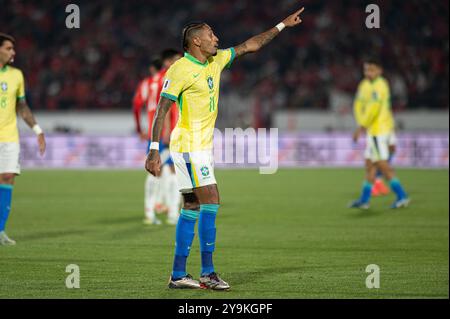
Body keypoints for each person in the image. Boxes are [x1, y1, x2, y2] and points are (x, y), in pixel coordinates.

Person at [145, 8, 305, 290]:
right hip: (189, 147)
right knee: (212, 200)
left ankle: (178, 275)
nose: (216, 39)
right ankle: (207, 273)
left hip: (199, 147)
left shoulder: (216, 61)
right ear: (196, 42)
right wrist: (154, 149)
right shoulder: (180, 69)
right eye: (210, 35)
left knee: (192, 205)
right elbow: (161, 110)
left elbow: (249, 46)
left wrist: (282, 25)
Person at [0, 33, 46, 245]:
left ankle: (0, 231)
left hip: (9, 136)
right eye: (9, 48)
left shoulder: (16, 75)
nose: (13, 52)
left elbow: (22, 106)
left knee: (8, 177)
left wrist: (37, 129)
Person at [349, 57, 410, 210]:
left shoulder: (380, 85)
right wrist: (361, 122)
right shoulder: (365, 85)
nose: (368, 72)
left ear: (379, 71)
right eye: (366, 69)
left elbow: (374, 109)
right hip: (376, 129)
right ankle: (364, 200)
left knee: (382, 164)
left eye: (372, 69)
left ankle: (402, 196)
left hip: (379, 130)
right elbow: (358, 104)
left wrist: (361, 126)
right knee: (369, 165)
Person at [133, 50, 182, 225]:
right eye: (177, 60)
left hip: (154, 133)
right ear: (167, 62)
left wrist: (141, 128)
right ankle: (171, 213)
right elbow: (166, 108)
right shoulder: (169, 78)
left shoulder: (148, 82)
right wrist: (168, 130)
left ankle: (151, 212)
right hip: (167, 133)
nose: (180, 62)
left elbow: (137, 105)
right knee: (171, 170)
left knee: (158, 170)